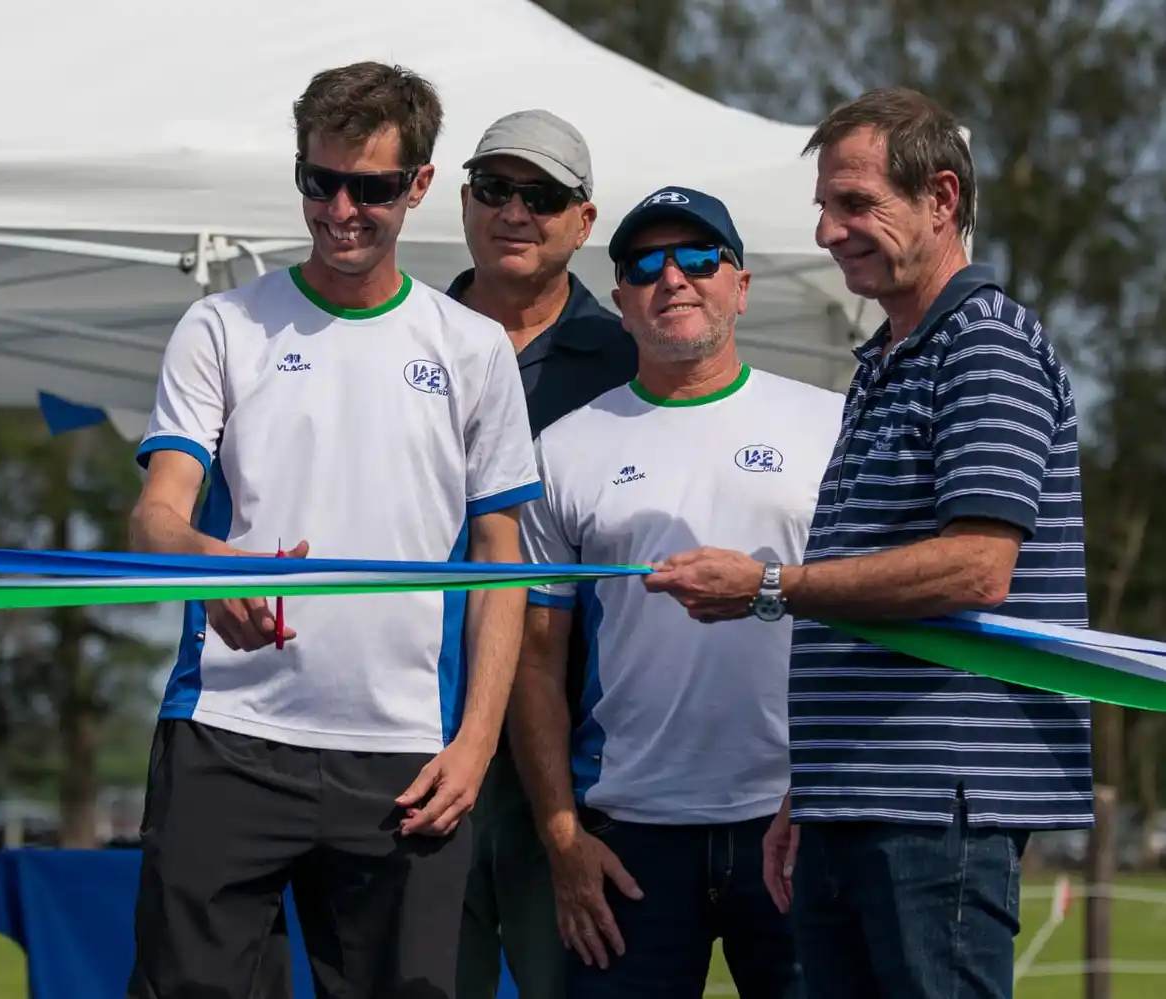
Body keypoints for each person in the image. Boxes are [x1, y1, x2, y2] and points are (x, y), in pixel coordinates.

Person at [644, 87, 1092, 999]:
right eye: (823, 206)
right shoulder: (888, 359)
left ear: (941, 198)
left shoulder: (984, 344)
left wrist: (772, 585)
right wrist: (812, 788)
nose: (827, 230)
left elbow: (979, 565)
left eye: (855, 204)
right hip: (858, 799)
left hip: (936, 805)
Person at [125, 61, 542, 999]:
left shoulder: (471, 347)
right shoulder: (222, 325)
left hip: (407, 759)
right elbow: (157, 515)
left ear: (420, 188)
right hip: (226, 735)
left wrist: (476, 743)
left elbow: (500, 565)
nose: (341, 208)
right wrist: (206, 564)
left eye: (373, 187)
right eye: (322, 181)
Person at [512, 185, 839, 999]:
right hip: (632, 840)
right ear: (620, 298)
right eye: (646, 264)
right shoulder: (565, 446)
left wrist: (827, 790)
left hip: (795, 821)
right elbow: (534, 661)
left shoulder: (831, 424)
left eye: (699, 258)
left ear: (740, 283)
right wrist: (562, 839)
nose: (674, 278)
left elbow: (868, 624)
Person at [445, 110, 636, 999]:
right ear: (462, 202)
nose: (515, 211)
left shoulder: (635, 361)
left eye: (544, 195)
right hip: (413, 732)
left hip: (575, 762)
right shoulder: (402, 339)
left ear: (584, 221)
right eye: (495, 188)